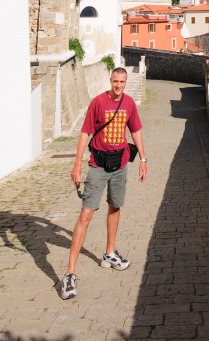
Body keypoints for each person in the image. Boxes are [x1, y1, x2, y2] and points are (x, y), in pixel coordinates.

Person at [60, 67, 147, 300]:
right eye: (115, 81)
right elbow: (85, 134)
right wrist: (77, 164)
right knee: (86, 214)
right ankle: (70, 273)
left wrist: (143, 159)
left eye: (122, 82)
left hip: (119, 165)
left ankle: (109, 253)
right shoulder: (98, 102)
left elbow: (136, 131)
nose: (118, 85)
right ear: (110, 81)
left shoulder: (129, 104)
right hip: (98, 165)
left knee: (115, 206)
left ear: (126, 82)